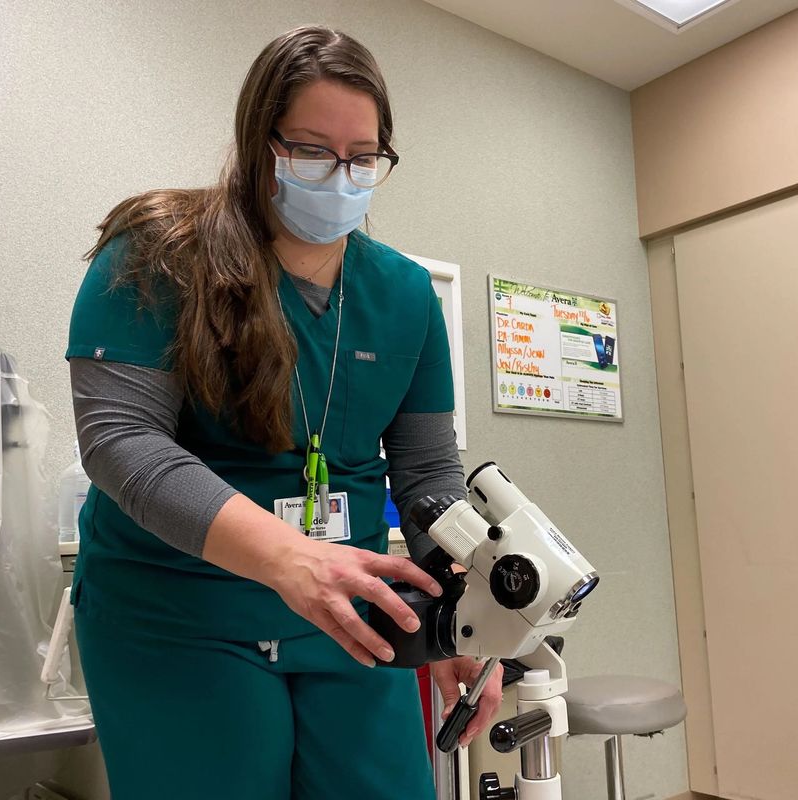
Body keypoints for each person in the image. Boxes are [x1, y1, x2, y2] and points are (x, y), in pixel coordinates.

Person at [66, 26, 501, 799]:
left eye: (363, 157)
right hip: (178, 612)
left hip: (353, 611)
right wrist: (285, 556)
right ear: (257, 143)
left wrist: (459, 611)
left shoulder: (403, 297)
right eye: (310, 151)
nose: (340, 175)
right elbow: (121, 441)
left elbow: (430, 475)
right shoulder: (160, 251)